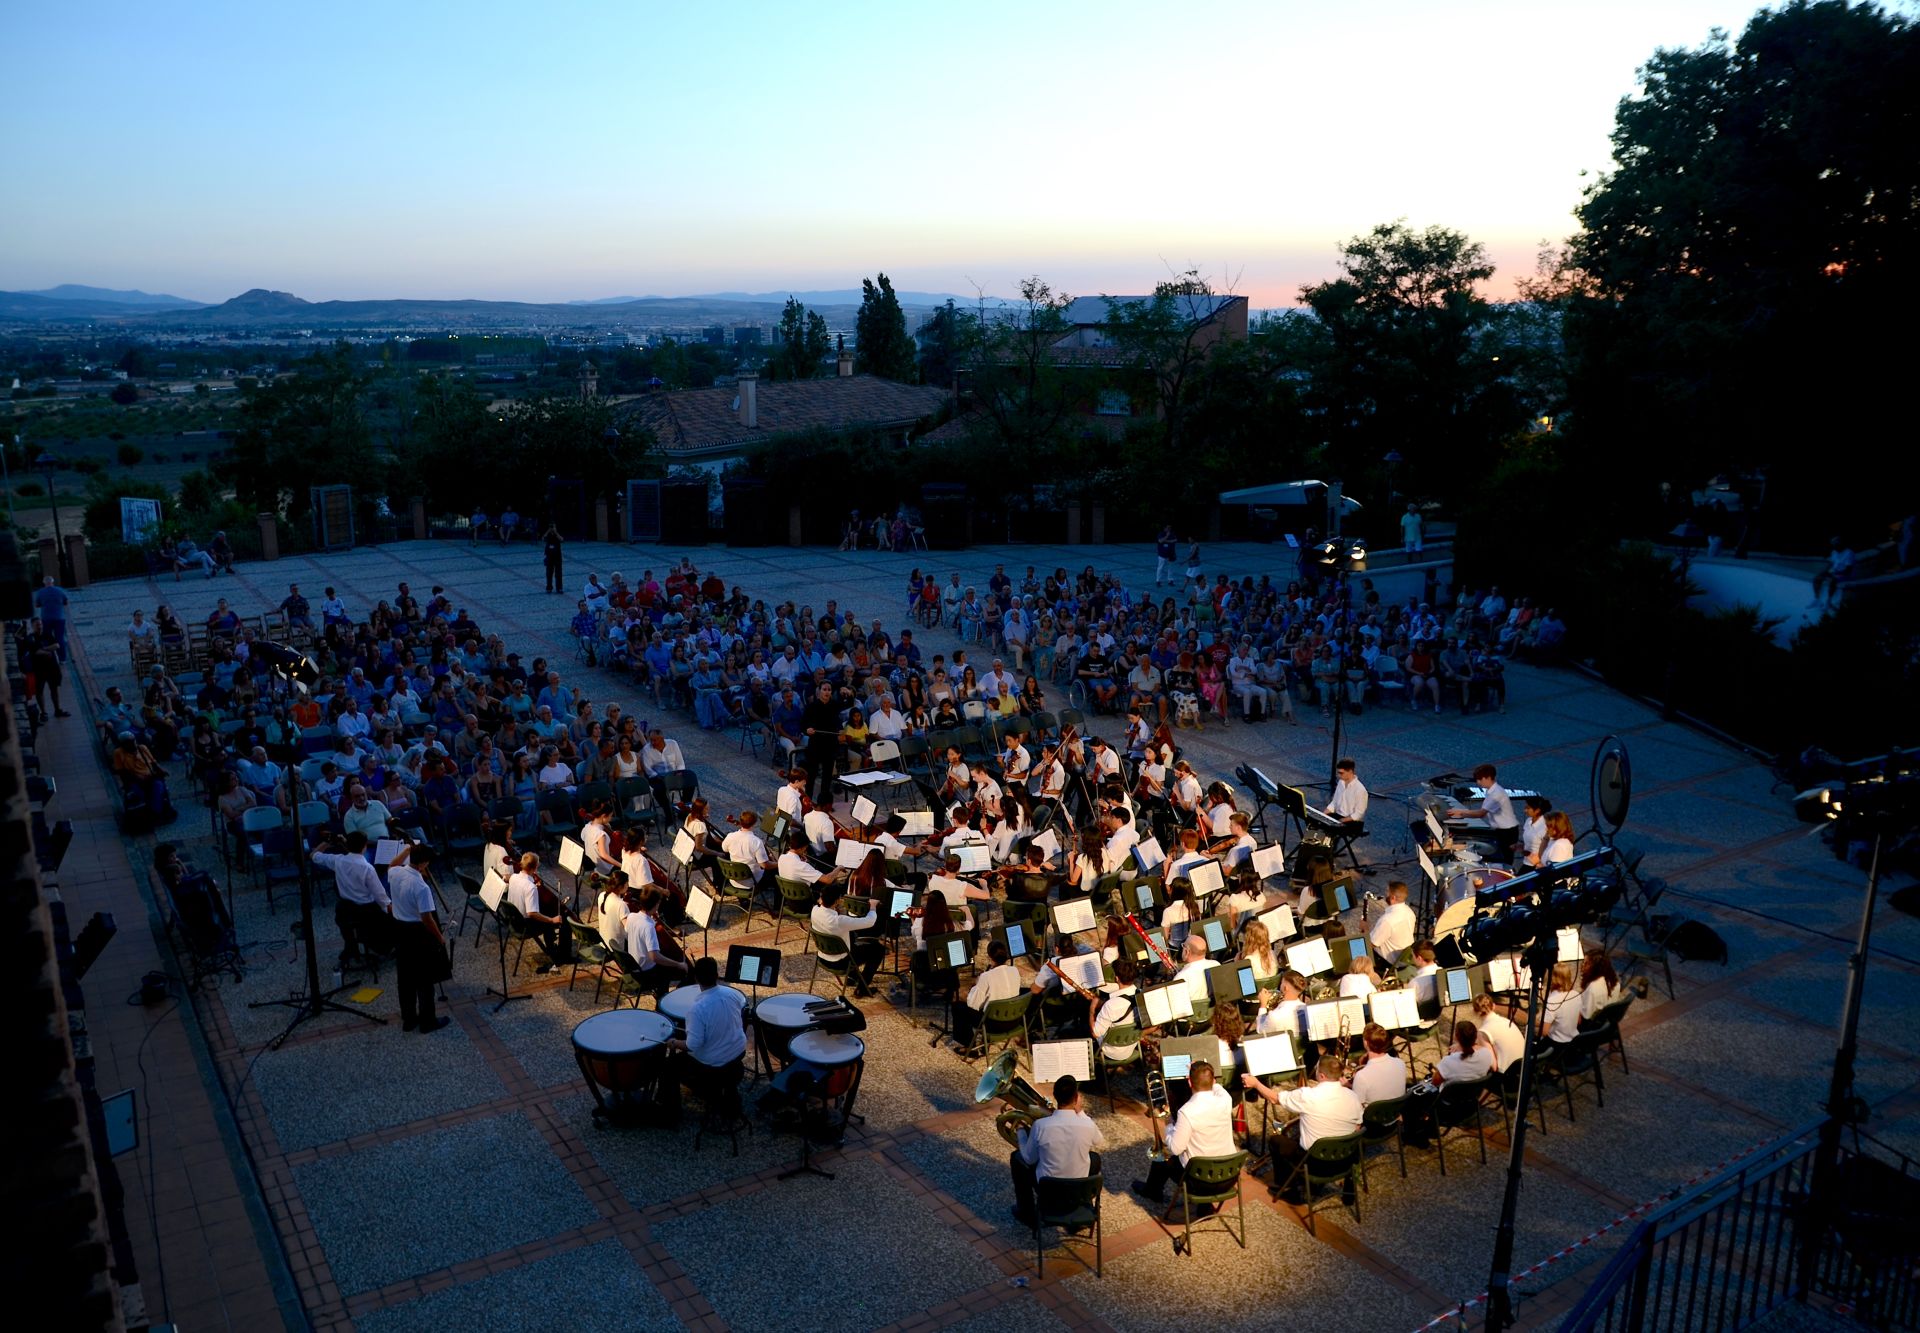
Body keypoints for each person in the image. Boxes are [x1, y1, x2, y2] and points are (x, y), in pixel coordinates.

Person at [1246, 1055, 1365, 1198]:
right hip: (1345, 1160)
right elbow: (1357, 1126)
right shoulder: (1352, 1096)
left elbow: (1275, 1098)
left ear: (1321, 1075)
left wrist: (1256, 1084)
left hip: (1315, 1163)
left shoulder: (1308, 1095)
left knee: (1276, 1141)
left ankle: (1288, 1189)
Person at [1132, 1059, 1236, 1203]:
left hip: (1200, 1182)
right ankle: (1205, 1208)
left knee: (1165, 1155)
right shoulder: (1226, 1099)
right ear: (1212, 1080)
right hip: (1229, 1177)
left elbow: (1175, 1148)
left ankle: (1152, 1191)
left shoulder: (1186, 1112)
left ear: (1189, 1083)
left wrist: (1169, 1122)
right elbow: (1216, 1086)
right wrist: (1204, 1070)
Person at [1010, 1074, 1105, 1228]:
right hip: (1080, 1189)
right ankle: (1081, 1215)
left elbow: (1029, 1159)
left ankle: (1026, 1213)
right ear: (1076, 1098)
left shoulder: (1041, 1125)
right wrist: (1080, 1112)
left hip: (1048, 1190)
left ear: (1054, 1096)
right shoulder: (1087, 1125)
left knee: (1017, 1158)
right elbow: (1099, 1140)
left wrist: (1021, 1132)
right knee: (1094, 1158)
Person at [663, 955, 750, 1114]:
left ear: (696, 979)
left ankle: (671, 1113)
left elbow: (692, 1045)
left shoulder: (697, 1009)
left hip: (714, 1066)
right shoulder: (733, 995)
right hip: (737, 1053)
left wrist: (674, 1042)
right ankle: (728, 1094)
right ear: (717, 975)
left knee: (668, 1066)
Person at [1401, 1021, 1497, 1146]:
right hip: (1469, 1106)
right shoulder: (1486, 1054)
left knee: (1410, 1097)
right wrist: (1460, 1049)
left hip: (1445, 1109)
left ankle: (1414, 1136)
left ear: (1456, 1037)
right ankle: (1429, 1128)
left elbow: (1435, 1083)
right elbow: (1474, 1055)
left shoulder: (1449, 1061)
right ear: (1475, 1037)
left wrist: (1454, 1053)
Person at [387, 844, 449, 1033]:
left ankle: (409, 1019)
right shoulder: (421, 886)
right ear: (423, 863)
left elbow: (391, 865)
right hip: (417, 932)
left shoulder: (395, 873)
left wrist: (406, 850)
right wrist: (440, 937)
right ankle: (428, 1021)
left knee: (404, 978)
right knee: (424, 979)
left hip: (399, 929)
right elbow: (427, 919)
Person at [313, 832, 391, 966]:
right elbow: (381, 897)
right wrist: (392, 909)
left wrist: (327, 842)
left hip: (345, 908)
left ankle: (351, 945)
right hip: (367, 911)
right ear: (364, 846)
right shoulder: (367, 868)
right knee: (393, 918)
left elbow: (314, 855)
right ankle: (384, 948)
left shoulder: (337, 861)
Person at [811, 875, 885, 997]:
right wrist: (872, 906)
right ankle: (862, 988)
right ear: (837, 901)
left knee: (850, 936)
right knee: (878, 949)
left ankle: (853, 977)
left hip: (822, 956)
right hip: (841, 962)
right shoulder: (839, 921)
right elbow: (869, 921)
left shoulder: (814, 911)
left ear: (821, 898)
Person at [506, 852, 571, 973]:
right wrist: (552, 920)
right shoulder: (531, 887)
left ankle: (553, 948)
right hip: (526, 926)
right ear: (534, 868)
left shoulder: (514, 877)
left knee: (547, 913)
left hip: (514, 921)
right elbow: (532, 913)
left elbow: (508, 878)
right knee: (562, 919)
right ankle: (562, 957)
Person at [953, 940, 1022, 1051]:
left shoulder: (987, 976)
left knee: (958, 1007)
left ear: (990, 958)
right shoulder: (1015, 970)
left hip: (993, 1024)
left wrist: (975, 986)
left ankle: (968, 1046)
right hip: (1013, 1020)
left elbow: (973, 1004)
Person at [1449, 763, 1518, 858]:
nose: (1478, 782)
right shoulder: (1491, 791)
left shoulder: (1496, 794)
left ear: (1488, 778)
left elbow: (1481, 813)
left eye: (1480, 779)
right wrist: (1462, 814)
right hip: (1501, 830)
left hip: (1507, 832)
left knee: (1504, 859)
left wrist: (1461, 813)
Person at [801, 681, 845, 808]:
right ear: (819, 691)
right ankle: (807, 801)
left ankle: (824, 803)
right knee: (812, 775)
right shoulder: (811, 707)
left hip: (830, 744)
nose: (827, 692)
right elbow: (803, 725)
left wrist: (840, 729)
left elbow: (837, 721)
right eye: (824, 689)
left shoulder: (834, 705)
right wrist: (807, 730)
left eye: (829, 690)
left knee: (827, 776)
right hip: (815, 744)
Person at [1350, 1023, 1407, 1105]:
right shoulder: (1400, 1063)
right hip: (1395, 1113)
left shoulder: (1362, 1076)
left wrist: (1349, 1086)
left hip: (1372, 1116)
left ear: (1366, 1043)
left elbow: (1356, 1104)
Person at [1470, 993, 1526, 1072]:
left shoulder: (1483, 1032)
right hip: (1525, 1066)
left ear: (1475, 1012)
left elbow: (1493, 1066)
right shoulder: (1507, 1021)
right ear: (1494, 1006)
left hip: (1509, 1073)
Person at [1368, 880, 1416, 968]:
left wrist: (1365, 930)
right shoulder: (1409, 912)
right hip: (1405, 957)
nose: (1385, 894)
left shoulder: (1387, 920)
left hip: (1389, 961)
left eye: (1387, 892)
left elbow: (1371, 944)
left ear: (1393, 897)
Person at [34, 575, 71, 661]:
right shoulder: (60, 590)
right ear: (53, 582)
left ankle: (49, 656)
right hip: (59, 618)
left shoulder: (40, 592)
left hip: (46, 618)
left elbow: (37, 605)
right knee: (60, 638)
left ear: (44, 583)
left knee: (47, 637)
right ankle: (63, 658)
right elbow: (66, 602)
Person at [1326, 757, 1368, 824]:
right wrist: (1323, 814)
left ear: (1350, 771)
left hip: (1351, 822)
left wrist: (1342, 821)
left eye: (1341, 773)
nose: (1338, 775)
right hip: (1338, 816)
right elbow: (1334, 803)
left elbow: (1359, 814)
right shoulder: (1341, 782)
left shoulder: (1360, 790)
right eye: (1338, 773)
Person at [543, 523, 564, 594]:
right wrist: (548, 531)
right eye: (551, 526)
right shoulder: (548, 534)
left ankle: (559, 588)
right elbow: (543, 538)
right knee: (549, 574)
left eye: (553, 526)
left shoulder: (557, 533)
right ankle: (549, 587)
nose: (552, 528)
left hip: (557, 556)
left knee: (558, 574)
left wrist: (555, 532)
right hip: (549, 557)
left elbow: (562, 539)